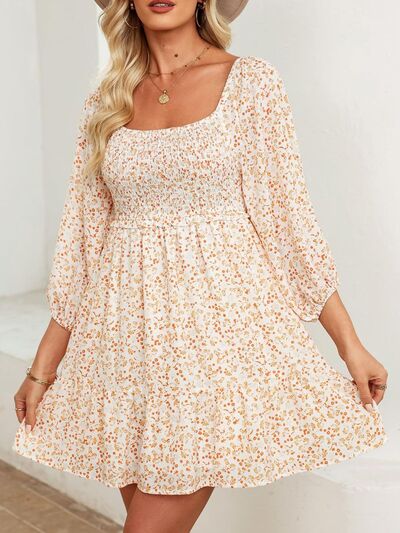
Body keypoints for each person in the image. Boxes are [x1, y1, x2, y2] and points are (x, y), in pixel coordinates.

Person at [12, 1, 388, 531]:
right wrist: (42, 370)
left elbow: (288, 223)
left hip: (215, 344)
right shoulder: (108, 100)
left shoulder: (250, 83)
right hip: (124, 347)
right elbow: (82, 247)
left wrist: (350, 346)